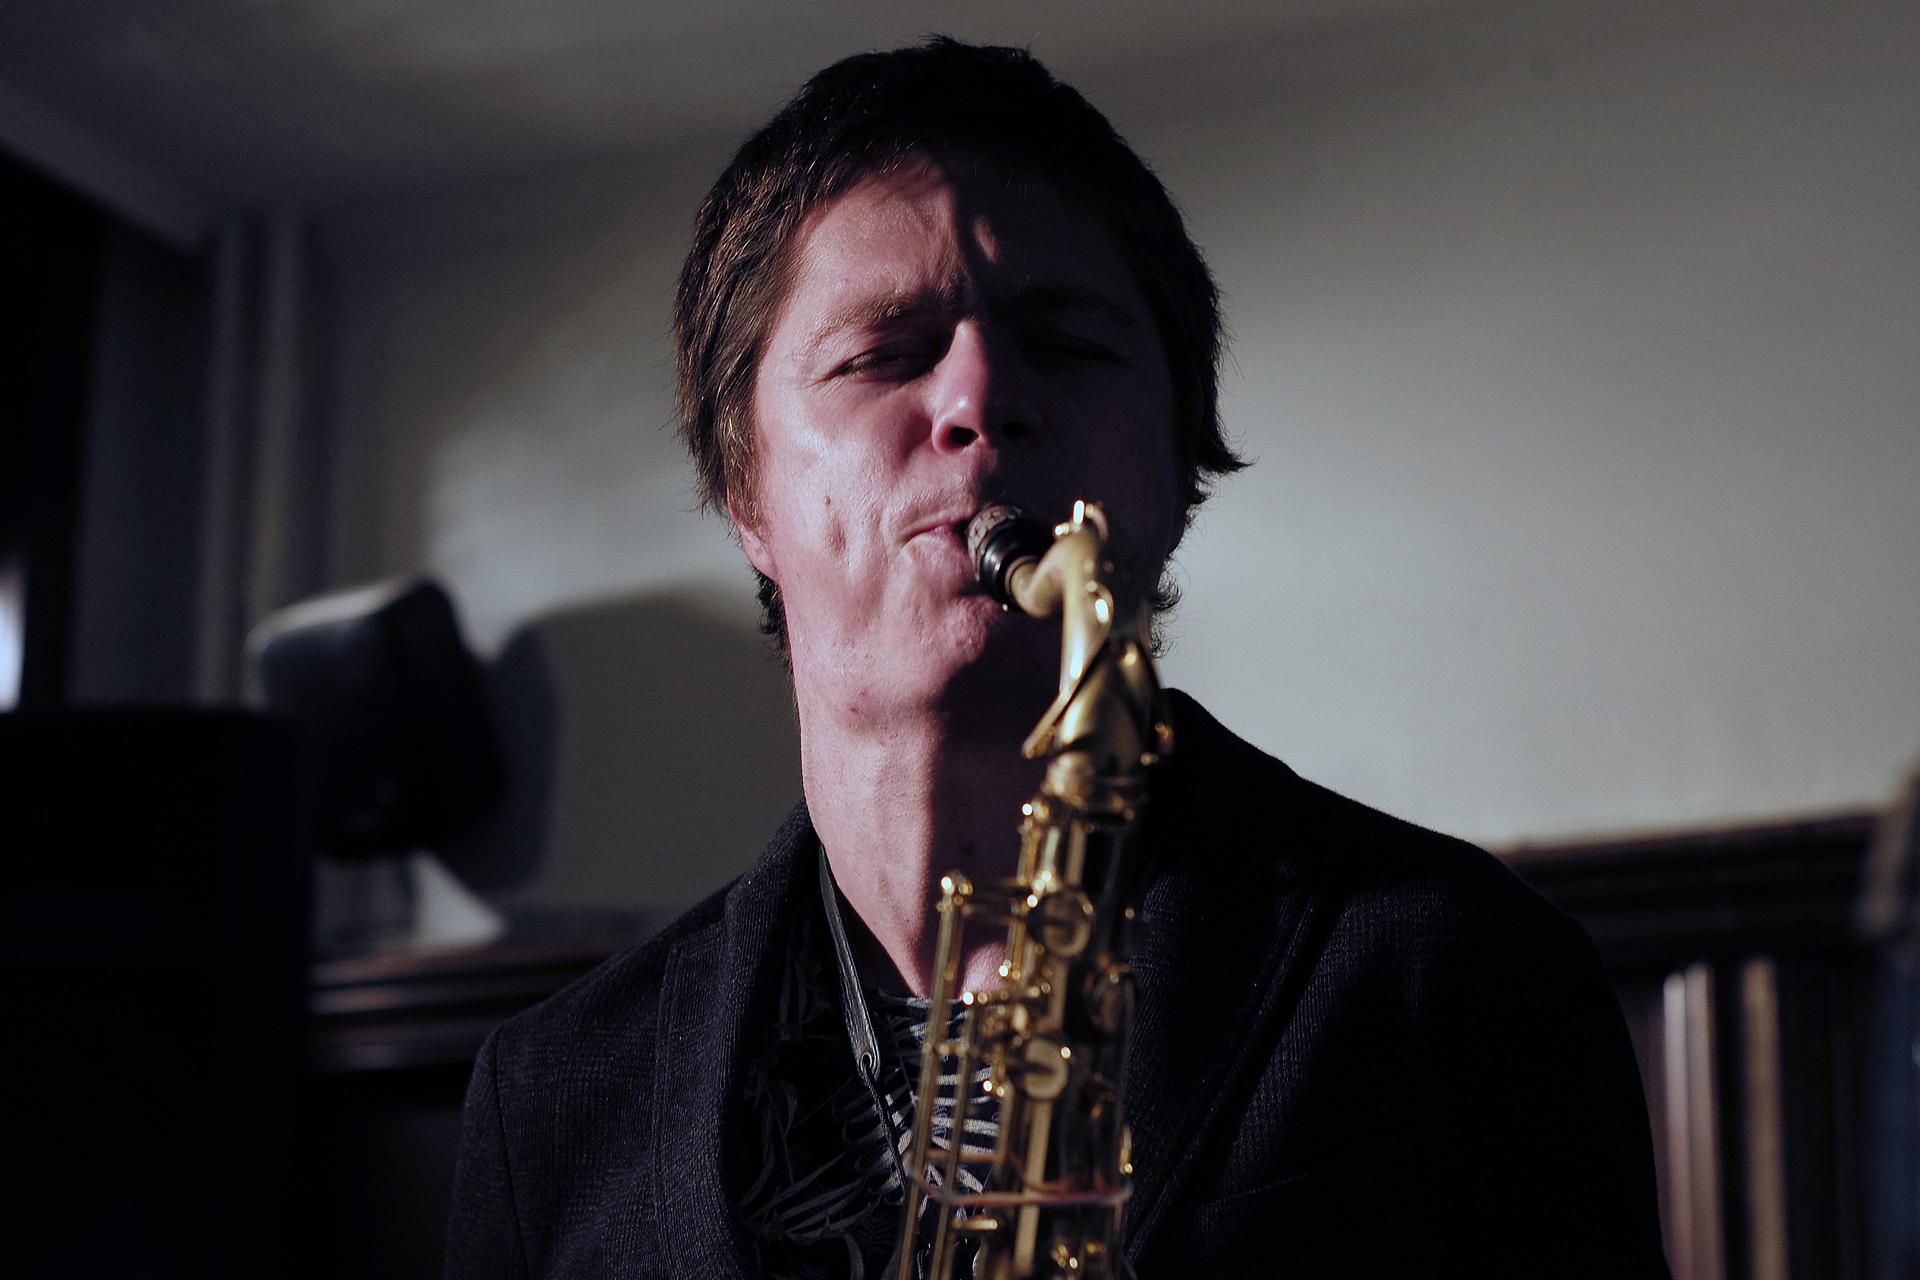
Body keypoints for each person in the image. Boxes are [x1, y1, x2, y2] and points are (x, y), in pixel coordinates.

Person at [447, 38, 1671, 1279]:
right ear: (743, 491)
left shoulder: (1460, 966)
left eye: (1069, 344)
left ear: (1175, 465)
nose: (982, 396)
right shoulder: (549, 1099)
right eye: (886, 352)